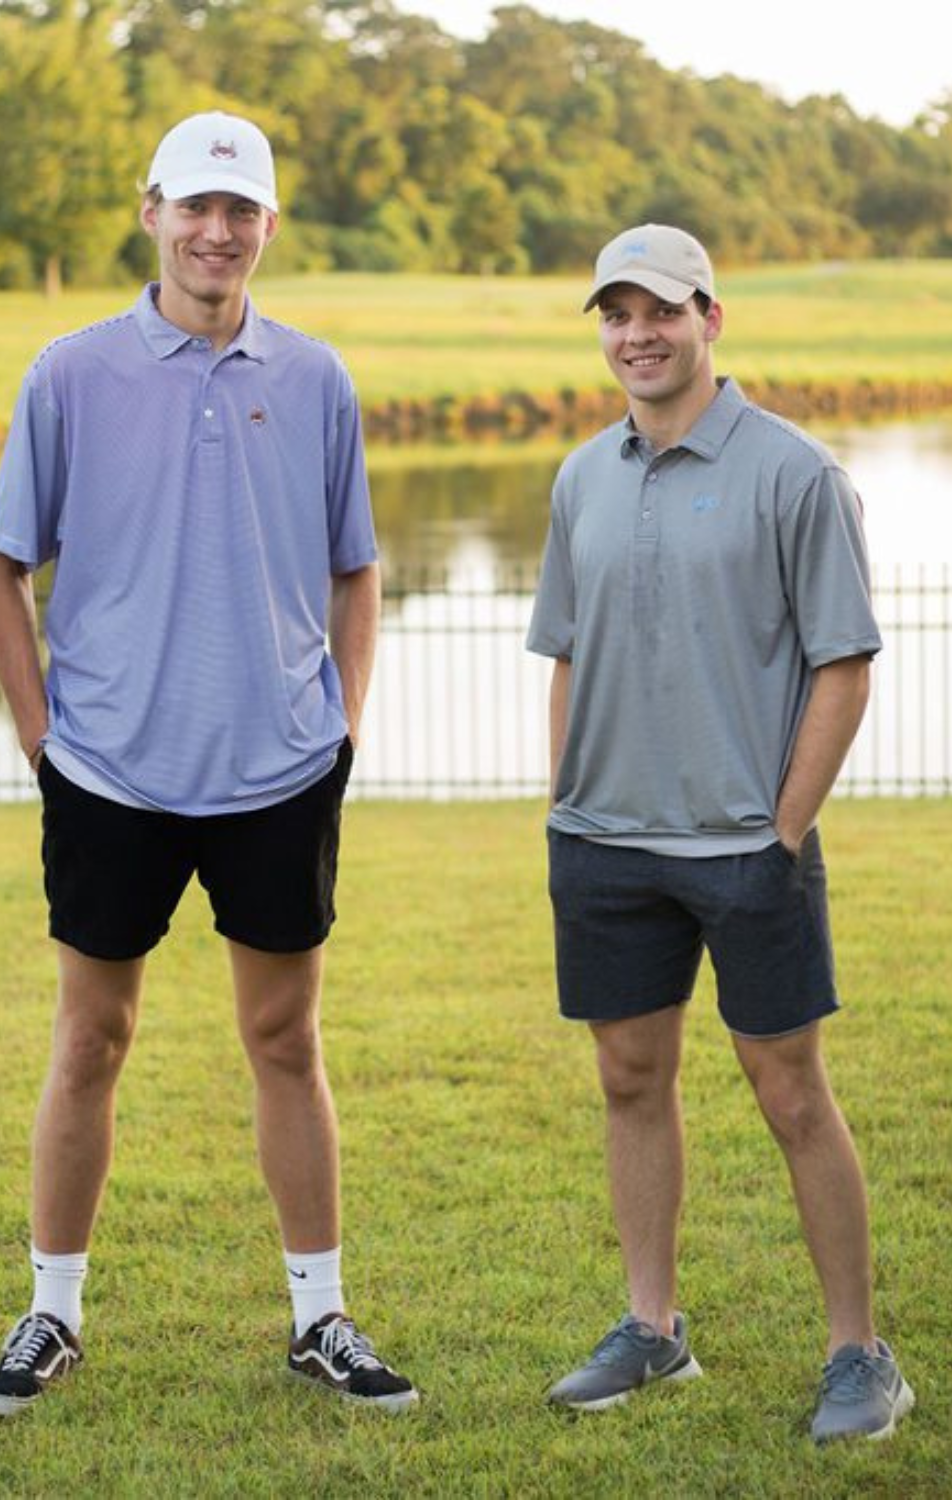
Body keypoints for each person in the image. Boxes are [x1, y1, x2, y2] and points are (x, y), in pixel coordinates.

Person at [0, 111, 417, 1416]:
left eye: (242, 211)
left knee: (287, 1037)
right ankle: (51, 1315)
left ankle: (319, 1316)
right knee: (91, 1038)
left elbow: (358, 568)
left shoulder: (318, 377)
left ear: (268, 227)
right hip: (108, 773)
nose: (217, 232)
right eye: (194, 207)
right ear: (153, 211)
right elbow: (1, 567)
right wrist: (40, 738)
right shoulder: (71, 372)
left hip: (281, 773)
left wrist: (344, 724)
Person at [526, 224, 913, 1442]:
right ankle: (653, 1330)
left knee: (790, 1093)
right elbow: (569, 654)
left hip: (746, 848)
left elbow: (842, 668)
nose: (636, 333)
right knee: (628, 1079)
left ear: (710, 317)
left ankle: (861, 1356)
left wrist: (781, 833)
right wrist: (565, 810)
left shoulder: (796, 474)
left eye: (661, 310)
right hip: (607, 845)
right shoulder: (581, 477)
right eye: (615, 312)